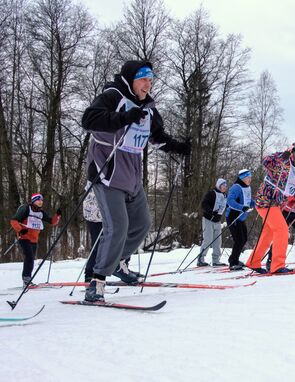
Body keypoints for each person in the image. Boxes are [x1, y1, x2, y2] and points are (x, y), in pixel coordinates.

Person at [82, 60, 191, 302]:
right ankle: (96, 282)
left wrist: (179, 147)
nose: (148, 84)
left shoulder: (148, 108)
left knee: (142, 224)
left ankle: (119, 263)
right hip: (107, 174)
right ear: (131, 80)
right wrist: (123, 117)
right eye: (143, 79)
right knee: (116, 227)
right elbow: (89, 120)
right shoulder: (113, 96)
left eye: (151, 80)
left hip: (132, 177)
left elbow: (157, 137)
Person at [246, 140, 295, 274]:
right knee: (282, 229)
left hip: (276, 204)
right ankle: (277, 265)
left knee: (268, 234)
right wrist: (280, 156)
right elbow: (265, 161)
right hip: (266, 201)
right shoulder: (282, 160)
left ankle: (253, 262)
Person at [10, 193, 61, 286]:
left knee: (31, 258)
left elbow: (52, 221)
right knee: (29, 256)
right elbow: (13, 220)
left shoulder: (41, 212)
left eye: (41, 200)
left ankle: (27, 279)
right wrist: (20, 230)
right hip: (24, 237)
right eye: (38, 200)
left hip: (34, 239)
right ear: (33, 201)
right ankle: (26, 279)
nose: (40, 202)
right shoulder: (25, 208)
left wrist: (57, 215)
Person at [226, 169, 255, 271]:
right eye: (248, 178)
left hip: (241, 217)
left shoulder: (247, 187)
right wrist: (241, 207)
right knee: (239, 240)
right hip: (233, 216)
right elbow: (230, 201)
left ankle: (233, 259)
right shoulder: (236, 187)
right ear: (243, 178)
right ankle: (233, 263)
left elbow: (248, 200)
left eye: (250, 177)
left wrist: (255, 203)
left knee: (244, 239)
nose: (250, 179)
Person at [197, 178, 228, 267]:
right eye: (223, 185)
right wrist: (210, 212)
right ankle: (201, 259)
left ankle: (216, 260)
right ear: (219, 185)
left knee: (218, 241)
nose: (225, 187)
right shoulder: (211, 193)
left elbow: (225, 206)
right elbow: (204, 204)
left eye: (226, 186)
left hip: (217, 220)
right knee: (208, 239)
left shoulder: (224, 196)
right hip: (208, 219)